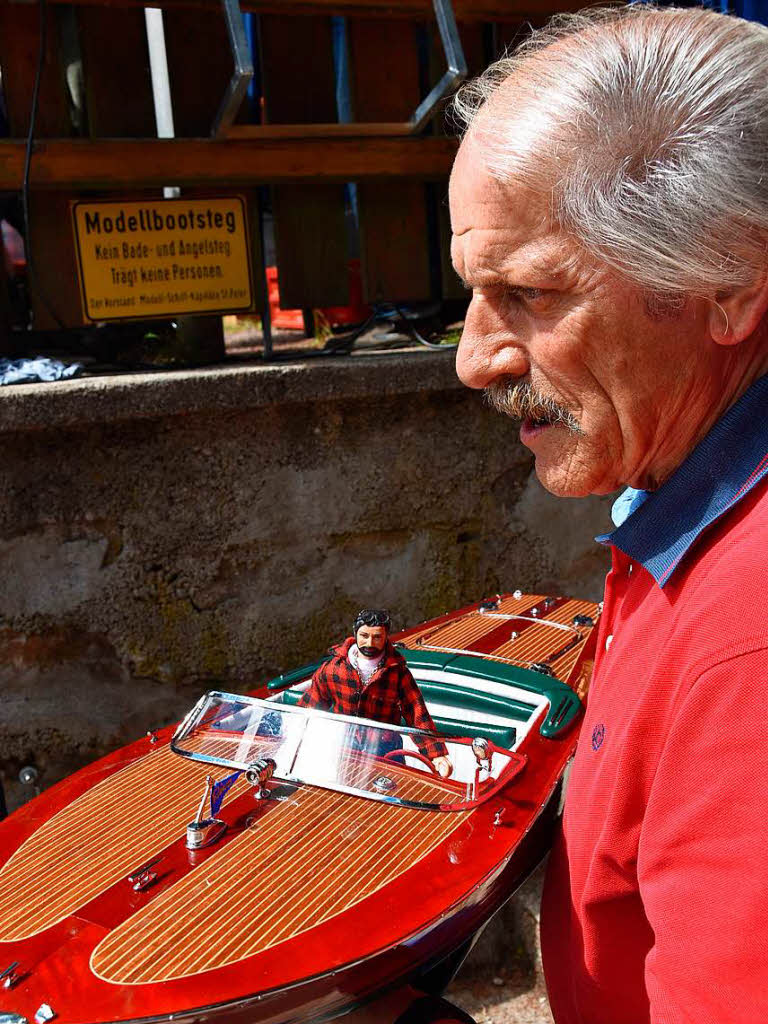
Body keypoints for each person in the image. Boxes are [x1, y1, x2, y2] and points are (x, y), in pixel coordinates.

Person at [449, 6, 768, 1024]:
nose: (474, 357)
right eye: (471, 290)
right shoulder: (688, 488)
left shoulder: (751, 640)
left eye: (532, 292)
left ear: (731, 282)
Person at [298, 608, 452, 777]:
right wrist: (294, 730)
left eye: (377, 637)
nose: (370, 643)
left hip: (385, 749)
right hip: (342, 748)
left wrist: (436, 754)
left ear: (386, 638)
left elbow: (415, 711)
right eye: (364, 636)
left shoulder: (397, 673)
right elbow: (311, 703)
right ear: (355, 634)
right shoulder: (333, 669)